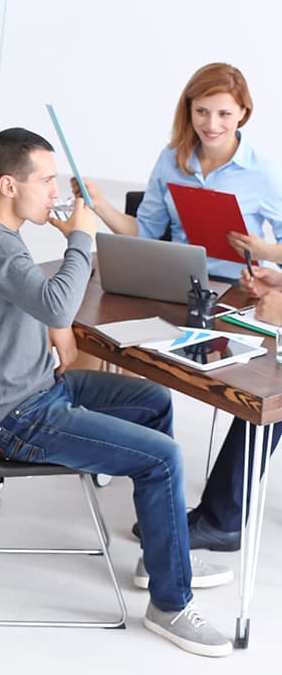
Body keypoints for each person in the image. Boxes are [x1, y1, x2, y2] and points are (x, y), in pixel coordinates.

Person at [0, 127, 233, 656]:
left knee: (154, 399)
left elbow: (42, 306)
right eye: (47, 180)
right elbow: (57, 305)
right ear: (9, 185)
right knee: (165, 457)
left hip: (36, 390)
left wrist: (59, 331)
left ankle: (160, 554)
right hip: (17, 419)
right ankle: (170, 604)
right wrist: (81, 236)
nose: (56, 192)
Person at [78, 63, 282, 552]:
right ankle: (131, 463)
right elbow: (145, 232)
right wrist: (101, 204)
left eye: (224, 114)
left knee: (260, 388)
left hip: (241, 293)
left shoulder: (262, 172)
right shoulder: (171, 160)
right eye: (202, 112)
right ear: (187, 112)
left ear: (244, 114)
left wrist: (266, 253)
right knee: (110, 334)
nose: (212, 125)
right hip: (179, 286)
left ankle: (218, 515)